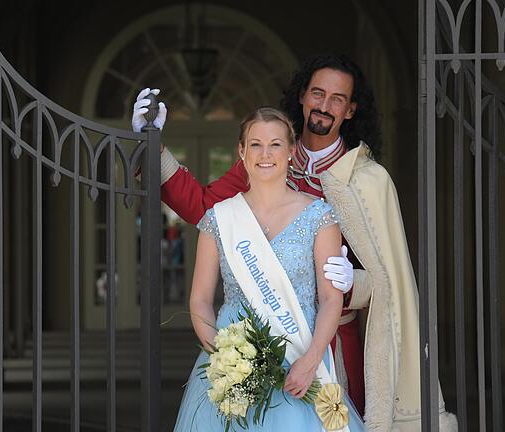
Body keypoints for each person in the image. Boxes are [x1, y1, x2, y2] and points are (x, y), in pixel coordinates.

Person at [134, 54, 457, 430]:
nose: (324, 105)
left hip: (332, 342)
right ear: (302, 97)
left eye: (337, 99)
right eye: (317, 94)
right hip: (248, 338)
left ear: (351, 110)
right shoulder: (261, 160)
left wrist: (357, 283)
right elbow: (205, 209)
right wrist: (154, 147)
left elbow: (391, 279)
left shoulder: (368, 180)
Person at [173, 107, 364, 431]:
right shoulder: (220, 218)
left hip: (301, 356)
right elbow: (200, 300)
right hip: (233, 360)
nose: (265, 154)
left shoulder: (319, 216)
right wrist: (222, 361)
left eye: (275, 144)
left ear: (291, 151)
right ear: (241, 152)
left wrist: (311, 359)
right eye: (256, 144)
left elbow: (332, 299)